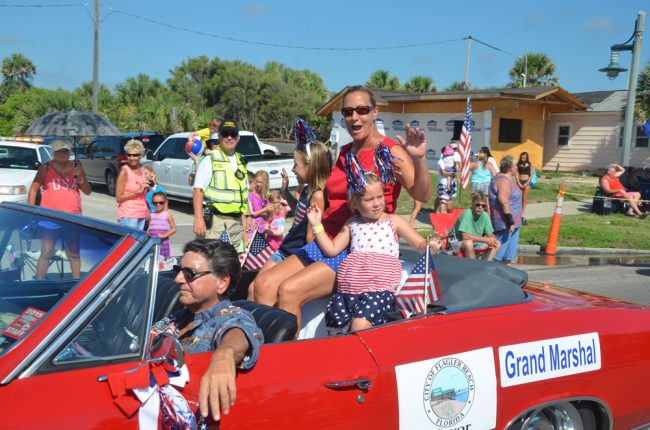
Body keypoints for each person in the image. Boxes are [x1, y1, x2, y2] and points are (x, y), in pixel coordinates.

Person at [253, 85, 432, 328]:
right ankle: (265, 354)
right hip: (326, 240)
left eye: (362, 110)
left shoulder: (389, 151)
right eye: (348, 112)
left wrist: (419, 160)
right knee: (262, 285)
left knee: (288, 291)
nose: (354, 117)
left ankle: (288, 361)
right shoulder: (347, 152)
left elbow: (422, 193)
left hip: (355, 247)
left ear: (375, 112)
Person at [306, 173, 442, 332]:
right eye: (369, 199)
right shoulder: (352, 223)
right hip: (348, 291)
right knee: (339, 332)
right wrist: (316, 224)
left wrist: (430, 245)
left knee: (359, 326)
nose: (377, 203)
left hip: (378, 290)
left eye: (380, 197)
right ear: (355, 203)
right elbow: (331, 249)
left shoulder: (393, 221)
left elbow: (419, 243)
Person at [151, 239, 263, 421]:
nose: (178, 279)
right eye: (178, 271)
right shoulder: (181, 315)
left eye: (189, 273)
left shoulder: (231, 316)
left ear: (222, 282)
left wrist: (225, 354)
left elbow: (239, 330)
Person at [250, 141, 332, 301]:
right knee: (253, 288)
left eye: (296, 164)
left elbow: (310, 238)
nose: (293, 169)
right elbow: (300, 212)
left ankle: (265, 325)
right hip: (286, 248)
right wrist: (285, 192)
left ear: (310, 167)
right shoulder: (307, 189)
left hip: (295, 252)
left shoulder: (318, 195)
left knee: (262, 290)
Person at [27, 139, 92, 279]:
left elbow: (87, 191)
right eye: (58, 151)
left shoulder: (77, 166)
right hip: (50, 216)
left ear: (69, 152)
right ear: (53, 153)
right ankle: (39, 281)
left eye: (65, 151)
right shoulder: (46, 168)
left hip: (73, 216)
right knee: (46, 251)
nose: (62, 154)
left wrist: (80, 178)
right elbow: (33, 189)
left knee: (74, 252)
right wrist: (31, 212)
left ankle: (76, 282)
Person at [192, 119, 249, 251]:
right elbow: (197, 190)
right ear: (219, 137)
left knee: (231, 260)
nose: (229, 138)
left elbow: (243, 194)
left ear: (238, 138)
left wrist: (248, 217)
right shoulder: (210, 159)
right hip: (216, 221)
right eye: (225, 134)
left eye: (233, 135)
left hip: (236, 222)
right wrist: (199, 219)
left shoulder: (241, 160)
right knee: (210, 261)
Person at [489, 156, 523, 265]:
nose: (517, 167)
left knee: (508, 255)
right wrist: (510, 221)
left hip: (513, 223)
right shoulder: (503, 180)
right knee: (499, 255)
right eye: (516, 165)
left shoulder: (503, 178)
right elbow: (503, 200)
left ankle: (504, 276)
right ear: (511, 167)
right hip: (506, 224)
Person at [452, 193, 500, 261]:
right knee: (468, 243)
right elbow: (465, 236)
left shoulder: (485, 215)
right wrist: (486, 240)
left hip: (475, 242)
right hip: (455, 243)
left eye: (483, 206)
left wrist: (492, 239)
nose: (480, 207)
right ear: (472, 204)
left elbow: (490, 233)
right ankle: (473, 266)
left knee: (497, 243)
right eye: (478, 204)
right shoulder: (467, 214)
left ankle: (484, 264)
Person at [115, 139, 149, 230]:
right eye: (129, 155)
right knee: (130, 243)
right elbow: (118, 198)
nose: (131, 158)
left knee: (139, 244)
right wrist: (137, 193)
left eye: (135, 155)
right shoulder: (124, 171)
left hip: (141, 213)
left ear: (141, 156)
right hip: (128, 214)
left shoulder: (142, 169)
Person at [147, 192, 177, 261]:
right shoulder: (151, 215)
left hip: (164, 243)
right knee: (153, 259)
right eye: (155, 203)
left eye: (161, 202)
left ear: (165, 202)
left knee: (163, 261)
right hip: (153, 242)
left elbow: (174, 229)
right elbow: (150, 227)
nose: (158, 204)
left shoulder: (167, 215)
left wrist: (164, 235)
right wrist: (148, 233)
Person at [247, 170, 271, 238]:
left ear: (265, 183)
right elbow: (250, 214)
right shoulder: (250, 194)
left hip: (261, 228)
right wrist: (264, 209)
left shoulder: (264, 196)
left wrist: (269, 211)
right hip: (252, 229)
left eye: (260, 182)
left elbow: (266, 217)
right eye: (256, 181)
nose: (258, 184)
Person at [436, 145, 458, 213]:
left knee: (448, 200)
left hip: (451, 183)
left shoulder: (448, 159)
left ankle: (448, 217)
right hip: (443, 184)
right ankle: (442, 219)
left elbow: (456, 168)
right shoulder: (441, 161)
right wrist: (453, 174)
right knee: (443, 201)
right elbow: (443, 173)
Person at [515, 152, 532, 224]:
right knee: (518, 198)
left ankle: (522, 213)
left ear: (526, 158)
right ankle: (517, 212)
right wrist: (518, 182)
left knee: (524, 199)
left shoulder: (530, 165)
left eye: (524, 158)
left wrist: (527, 183)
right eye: (521, 157)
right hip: (519, 182)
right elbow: (516, 174)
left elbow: (531, 175)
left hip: (526, 183)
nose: (522, 159)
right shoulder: (518, 165)